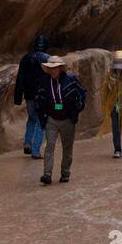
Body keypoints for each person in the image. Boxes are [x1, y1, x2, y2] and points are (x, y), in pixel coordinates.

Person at [34, 55, 87, 184]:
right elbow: (39, 99)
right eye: (51, 68)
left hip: (67, 119)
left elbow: (82, 93)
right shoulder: (44, 81)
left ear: (60, 68)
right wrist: (42, 115)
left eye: (56, 68)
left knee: (67, 148)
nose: (53, 71)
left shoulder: (71, 79)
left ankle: (65, 173)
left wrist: (77, 109)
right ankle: (47, 174)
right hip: (51, 119)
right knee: (49, 146)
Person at [13, 34, 50, 158]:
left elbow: (20, 78)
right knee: (42, 122)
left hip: (29, 95)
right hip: (42, 96)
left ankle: (27, 143)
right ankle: (35, 150)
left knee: (32, 118)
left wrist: (18, 97)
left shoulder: (25, 58)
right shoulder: (47, 59)